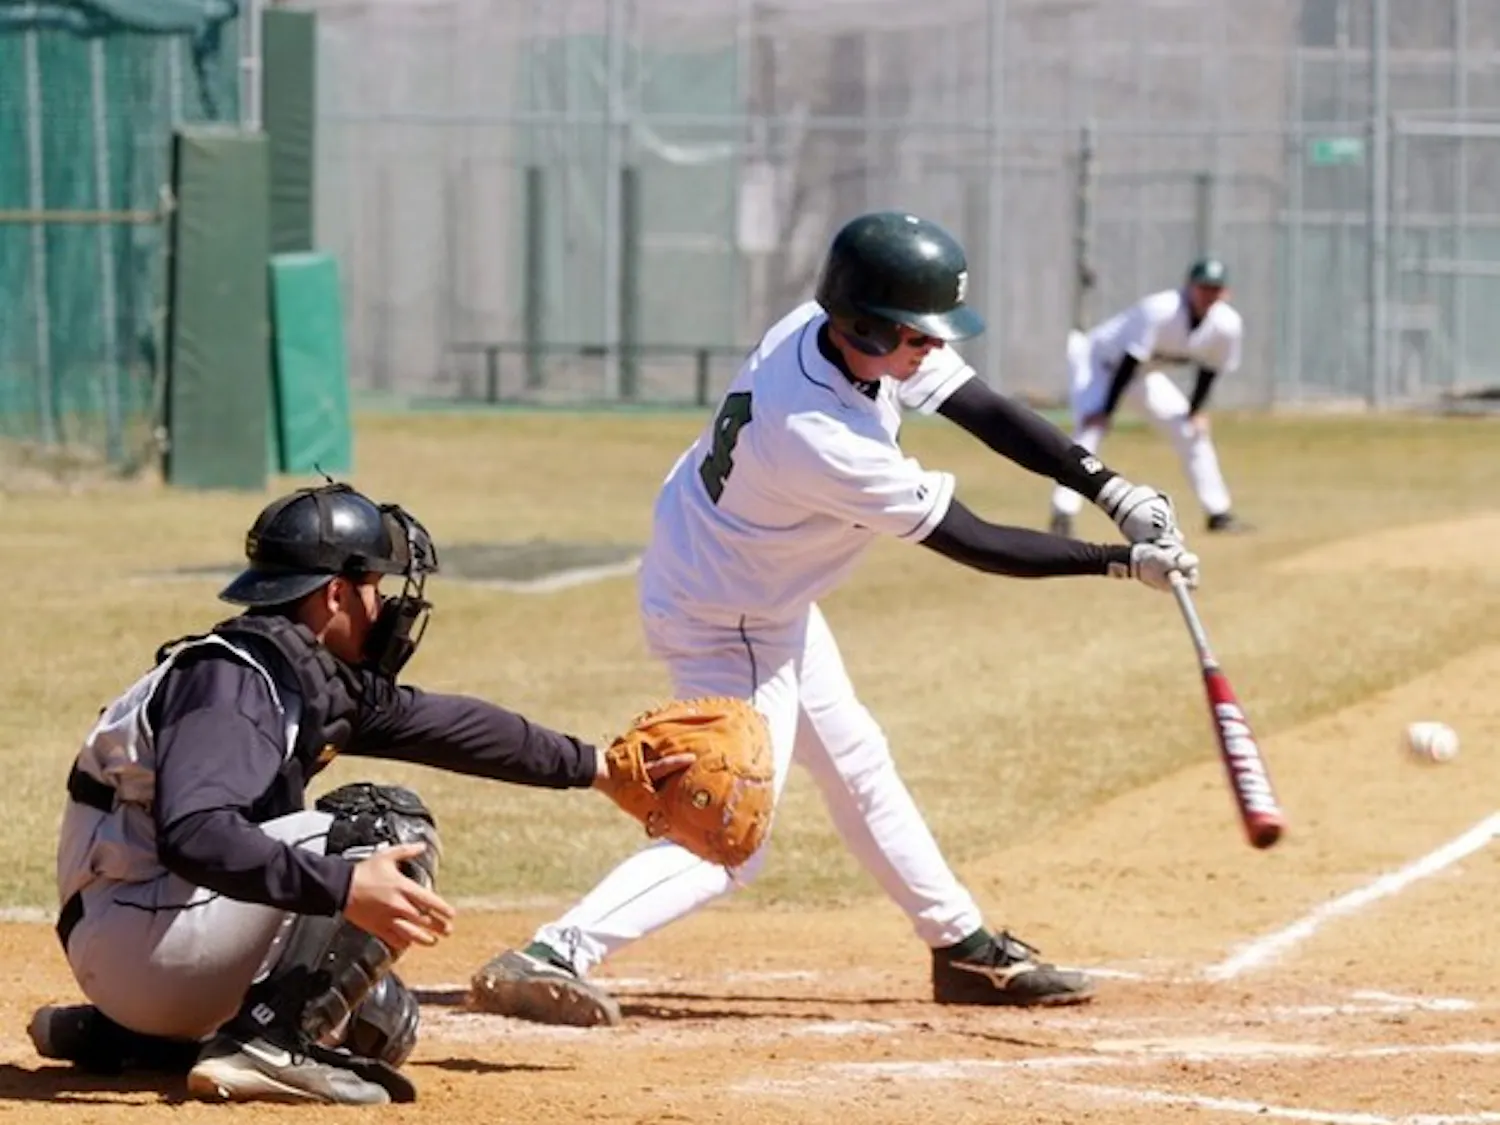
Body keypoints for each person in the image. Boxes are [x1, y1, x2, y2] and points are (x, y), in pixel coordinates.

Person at [468, 210, 1199, 1028]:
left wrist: (1110, 486)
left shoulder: (831, 331)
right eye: (916, 336)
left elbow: (985, 409)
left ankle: (961, 945)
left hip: (752, 591)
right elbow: (977, 541)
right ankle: (553, 952)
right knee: (728, 827)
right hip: (727, 615)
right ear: (863, 323)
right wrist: (1115, 561)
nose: (930, 351)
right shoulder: (820, 435)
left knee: (858, 763)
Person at [27, 482, 664, 1105]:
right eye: (375, 588)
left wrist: (602, 769)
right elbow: (196, 834)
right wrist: (345, 886)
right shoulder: (231, 686)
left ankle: (127, 1038)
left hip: (156, 933)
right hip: (140, 931)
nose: (384, 608)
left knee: (381, 1023)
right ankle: (268, 1047)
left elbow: (450, 727)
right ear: (335, 594)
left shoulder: (296, 674)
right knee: (383, 825)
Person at [1047, 257, 1252, 537]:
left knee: (1192, 432)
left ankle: (1218, 513)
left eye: (1215, 288)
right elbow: (1128, 362)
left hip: (1142, 375)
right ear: (1189, 287)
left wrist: (1195, 411)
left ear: (1226, 293)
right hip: (1099, 365)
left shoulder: (1227, 324)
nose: (1208, 294)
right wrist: (1105, 412)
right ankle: (1063, 513)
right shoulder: (1161, 310)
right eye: (1203, 287)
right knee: (1091, 431)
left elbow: (1210, 370)